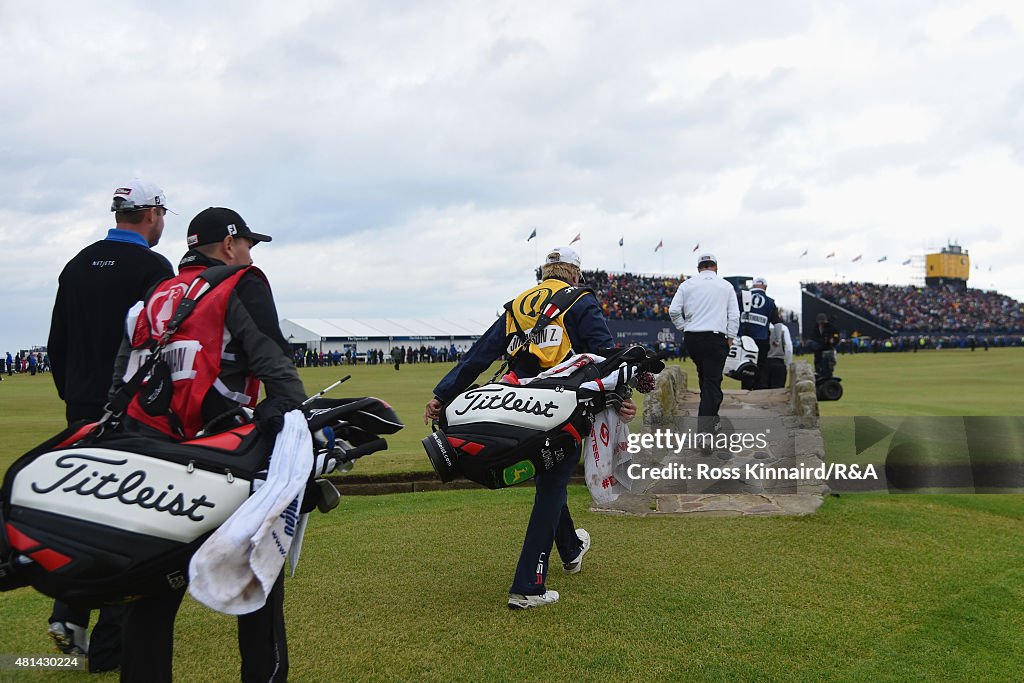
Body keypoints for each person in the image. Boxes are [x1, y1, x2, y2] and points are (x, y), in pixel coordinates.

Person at [112, 207, 306, 683]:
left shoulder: (153, 296)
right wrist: (301, 422)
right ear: (228, 245)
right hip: (223, 459)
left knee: (149, 598)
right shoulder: (240, 282)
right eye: (247, 245)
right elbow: (274, 364)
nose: (249, 255)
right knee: (255, 585)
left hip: (149, 460)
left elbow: (121, 382)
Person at [423, 246, 636, 610]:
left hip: (512, 404)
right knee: (552, 485)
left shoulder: (518, 304)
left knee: (548, 474)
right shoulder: (581, 300)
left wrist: (443, 395)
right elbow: (605, 356)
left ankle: (570, 549)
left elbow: (478, 355)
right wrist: (621, 397)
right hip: (560, 406)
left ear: (545, 272)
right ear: (574, 274)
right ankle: (529, 585)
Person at [44, 179, 175, 671]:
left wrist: (76, 396)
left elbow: (58, 342)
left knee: (85, 508)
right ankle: (107, 649)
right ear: (151, 214)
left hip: (81, 404)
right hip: (131, 407)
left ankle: (69, 606)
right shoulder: (153, 267)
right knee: (130, 519)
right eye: (163, 214)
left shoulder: (76, 265)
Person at [668, 253, 739, 428]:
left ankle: (712, 420)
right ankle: (705, 430)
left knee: (705, 378)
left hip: (693, 337)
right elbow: (734, 315)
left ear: (699, 268)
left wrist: (684, 327)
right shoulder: (726, 286)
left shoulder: (687, 285)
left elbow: (674, 311)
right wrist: (731, 337)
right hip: (716, 337)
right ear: (715, 266)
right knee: (712, 382)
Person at [737, 277, 780, 389]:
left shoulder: (741, 297)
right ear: (765, 287)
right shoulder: (770, 302)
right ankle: (757, 389)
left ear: (753, 285)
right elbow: (777, 323)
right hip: (762, 338)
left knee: (745, 365)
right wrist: (777, 339)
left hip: (744, 338)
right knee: (760, 367)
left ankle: (746, 388)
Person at [764, 322, 793, 389]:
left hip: (763, 363)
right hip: (778, 362)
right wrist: (788, 364)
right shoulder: (784, 328)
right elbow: (788, 349)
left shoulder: (761, 327)